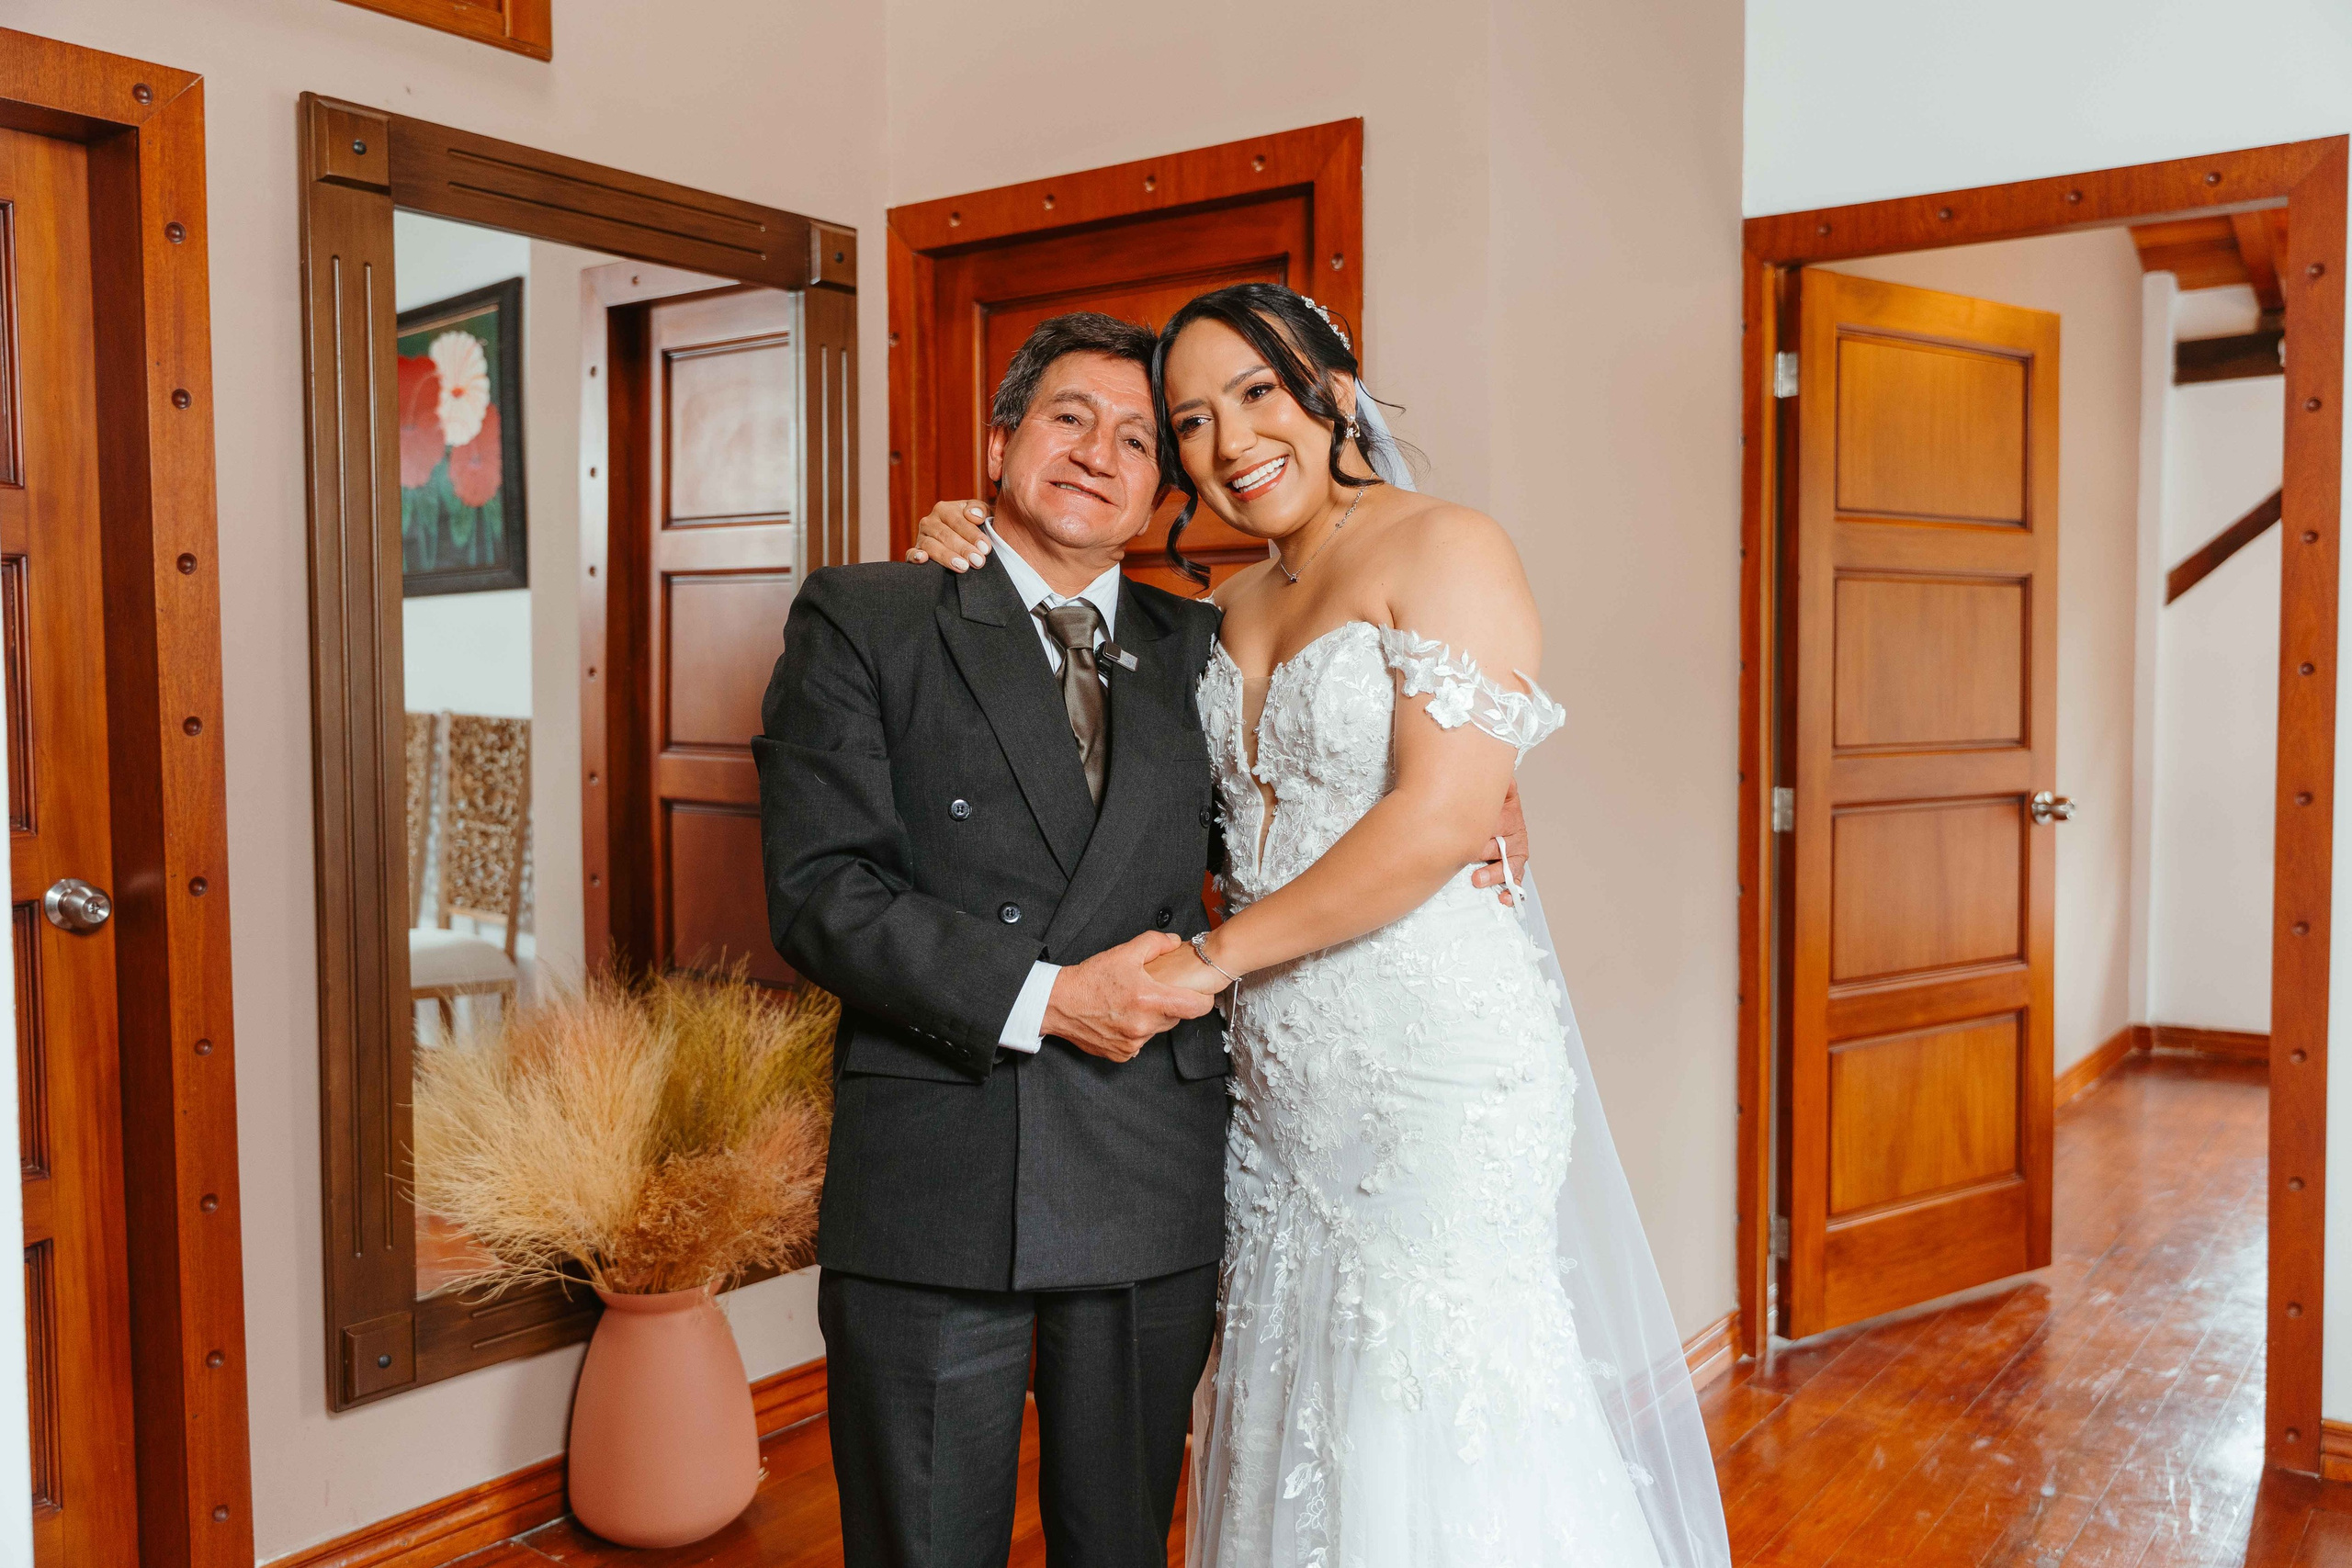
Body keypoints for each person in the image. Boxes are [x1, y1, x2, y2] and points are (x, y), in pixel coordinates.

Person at [908, 284, 1733, 1566]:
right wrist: (971, 536)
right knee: (1297, 1397)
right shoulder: (1218, 613)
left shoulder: (1450, 548)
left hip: (1431, 1064)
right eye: (1191, 421)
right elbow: (1134, 791)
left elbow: (1438, 819)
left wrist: (1211, 960)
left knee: (1423, 1408)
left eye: (1257, 394)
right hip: (1273, 1090)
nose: (1229, 441)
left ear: (1335, 394)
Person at [755, 310, 1526, 1568]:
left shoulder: (1204, 645)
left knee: (1121, 1546)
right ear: (999, 443)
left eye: (1137, 439)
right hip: (938, 1176)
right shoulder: (868, 615)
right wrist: (1046, 997)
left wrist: (1478, 780)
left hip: (1148, 1172)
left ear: (1163, 490)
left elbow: (1304, 807)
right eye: (1069, 419)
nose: (1098, 455)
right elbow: (820, 893)